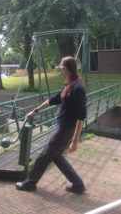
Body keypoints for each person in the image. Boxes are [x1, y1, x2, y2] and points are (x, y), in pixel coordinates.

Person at [15, 56, 87, 194]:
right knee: (56, 156)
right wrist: (35, 111)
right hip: (63, 127)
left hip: (66, 129)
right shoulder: (69, 85)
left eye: (61, 65)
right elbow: (52, 100)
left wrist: (75, 141)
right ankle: (78, 184)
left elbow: (80, 117)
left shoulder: (77, 88)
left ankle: (30, 183)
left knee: (44, 155)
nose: (60, 67)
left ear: (66, 68)